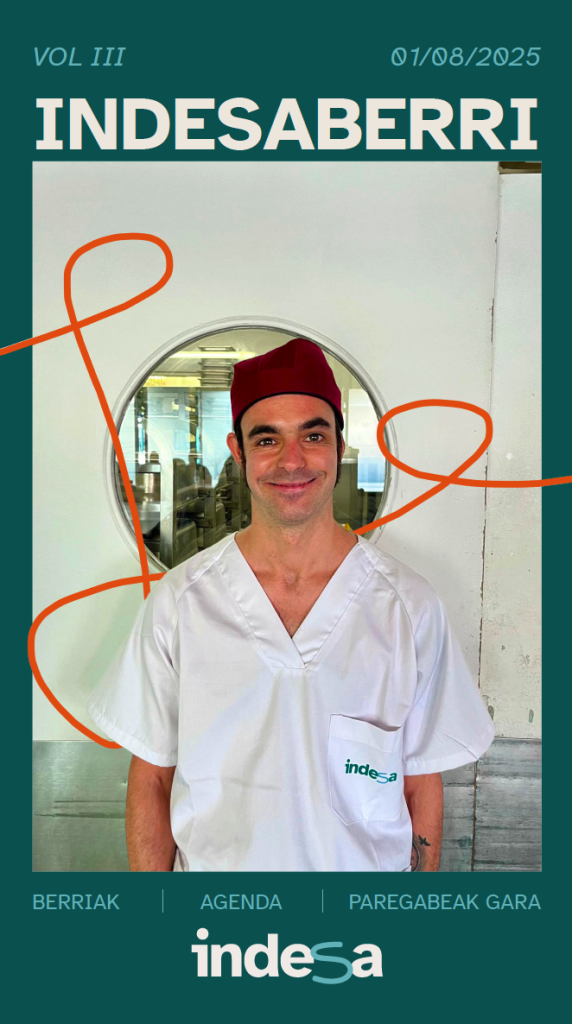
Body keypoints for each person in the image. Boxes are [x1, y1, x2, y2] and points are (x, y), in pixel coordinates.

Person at [87, 338, 495, 872]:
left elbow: (420, 783)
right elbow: (152, 780)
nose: (292, 460)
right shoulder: (181, 603)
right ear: (238, 452)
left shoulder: (408, 607)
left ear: (339, 446)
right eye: (267, 439)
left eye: (313, 435)